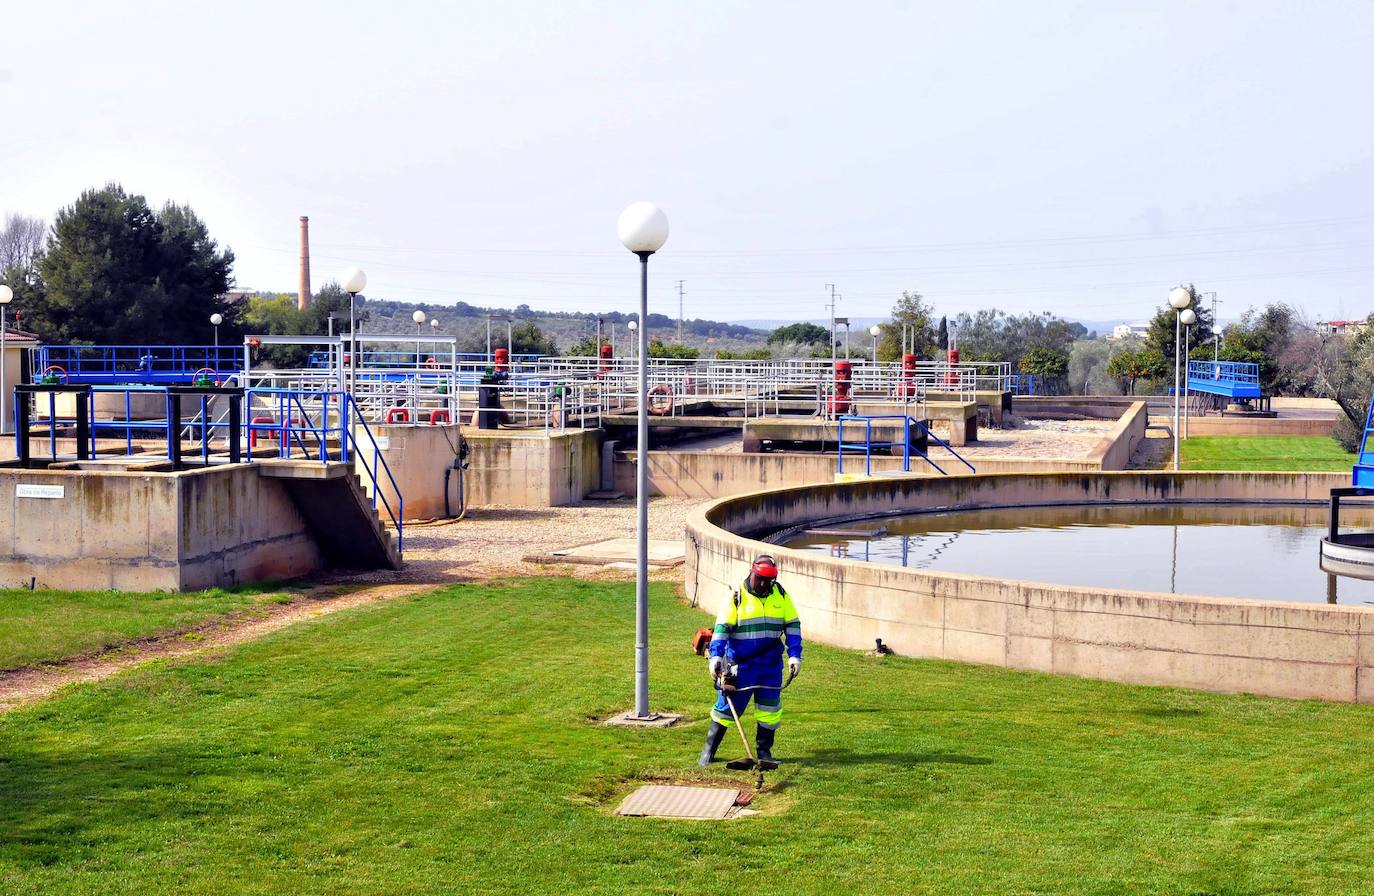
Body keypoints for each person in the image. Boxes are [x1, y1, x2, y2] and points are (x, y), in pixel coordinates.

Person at [698, 553, 803, 767]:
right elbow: (721, 629)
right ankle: (708, 751)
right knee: (726, 709)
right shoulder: (735, 596)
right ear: (751, 571)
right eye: (760, 578)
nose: (764, 584)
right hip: (740, 667)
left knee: (769, 711)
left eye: (769, 580)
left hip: (770, 667)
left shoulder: (781, 596)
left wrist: (794, 655)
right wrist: (716, 656)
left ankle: (764, 753)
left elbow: (792, 627)